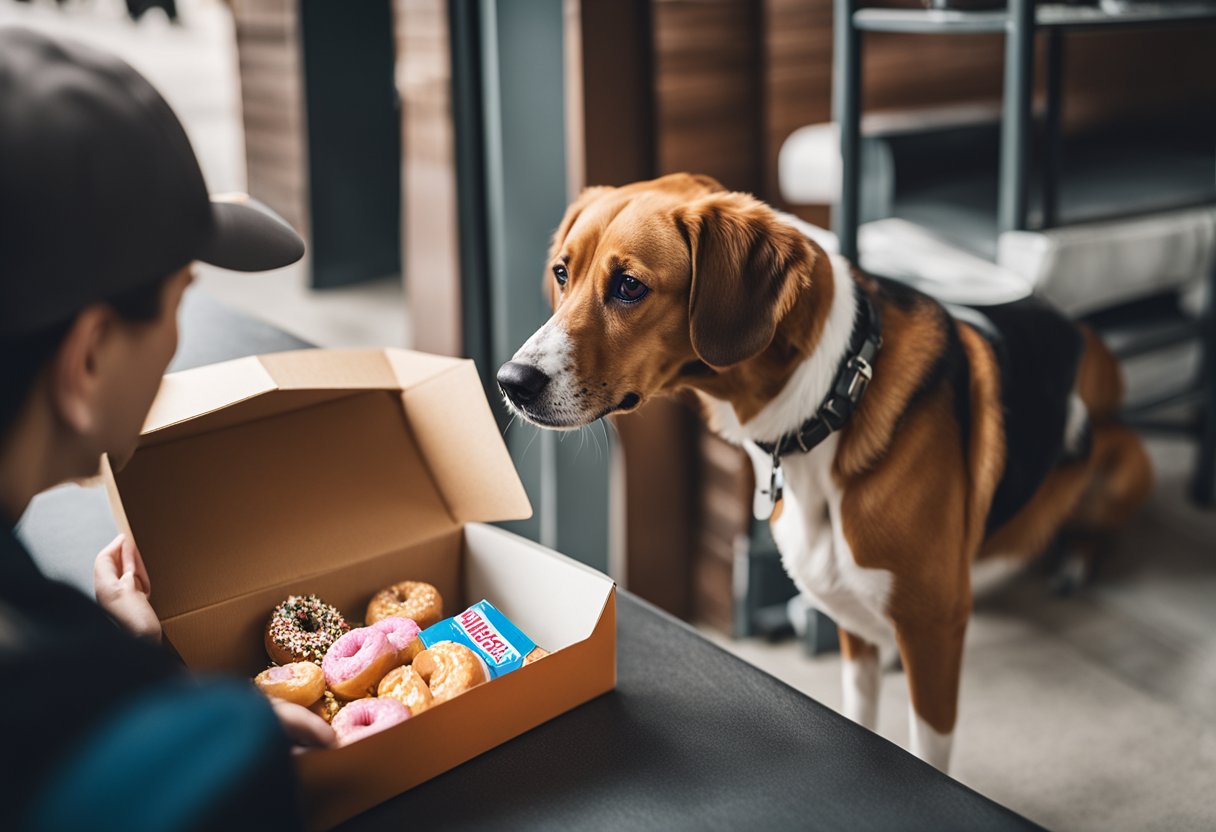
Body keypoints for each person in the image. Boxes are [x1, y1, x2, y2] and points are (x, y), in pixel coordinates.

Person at [0, 27, 334, 829]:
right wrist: (176, 725)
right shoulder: (202, 769)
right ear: (87, 361)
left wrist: (120, 665)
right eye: (182, 296)